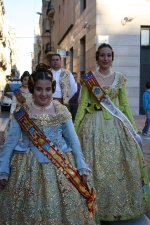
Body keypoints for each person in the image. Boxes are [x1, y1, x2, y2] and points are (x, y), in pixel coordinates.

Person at [0, 63, 99, 225]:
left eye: (48, 89)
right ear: (32, 89)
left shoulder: (61, 111)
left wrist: (81, 165)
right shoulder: (22, 112)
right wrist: (2, 170)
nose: (44, 94)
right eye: (39, 89)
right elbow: (10, 143)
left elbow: (73, 140)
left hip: (60, 165)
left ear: (53, 89)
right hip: (27, 167)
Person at [74, 43, 150, 224]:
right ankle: (94, 207)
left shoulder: (119, 79)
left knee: (119, 165)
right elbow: (83, 105)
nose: (105, 59)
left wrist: (133, 129)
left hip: (116, 126)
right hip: (92, 126)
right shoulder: (88, 79)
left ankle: (118, 206)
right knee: (95, 166)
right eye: (102, 55)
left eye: (109, 55)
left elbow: (124, 106)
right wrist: (74, 130)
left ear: (112, 57)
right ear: (97, 57)